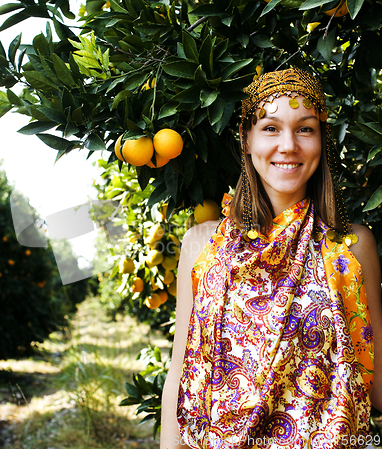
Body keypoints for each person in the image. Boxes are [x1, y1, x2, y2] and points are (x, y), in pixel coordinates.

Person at [160, 67, 382, 449]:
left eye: (306, 128)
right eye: (270, 128)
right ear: (247, 139)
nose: (289, 145)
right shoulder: (201, 245)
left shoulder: (352, 246)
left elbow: (376, 381)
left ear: (321, 141)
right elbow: (181, 372)